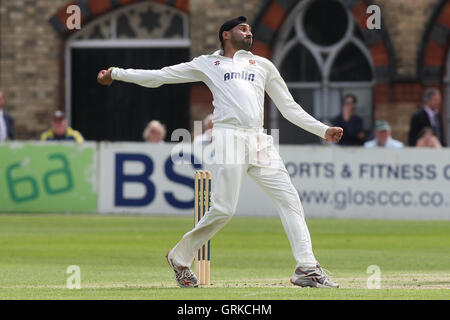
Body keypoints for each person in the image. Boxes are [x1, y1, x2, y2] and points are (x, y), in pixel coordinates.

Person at [97, 16, 343, 288]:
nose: (249, 33)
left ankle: (306, 268)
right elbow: (160, 76)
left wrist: (322, 129)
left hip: (260, 140)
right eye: (242, 29)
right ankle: (180, 257)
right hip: (229, 137)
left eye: (249, 29)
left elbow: (289, 107)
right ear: (226, 35)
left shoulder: (262, 65)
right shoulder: (208, 63)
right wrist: (117, 72)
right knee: (224, 210)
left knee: (290, 199)